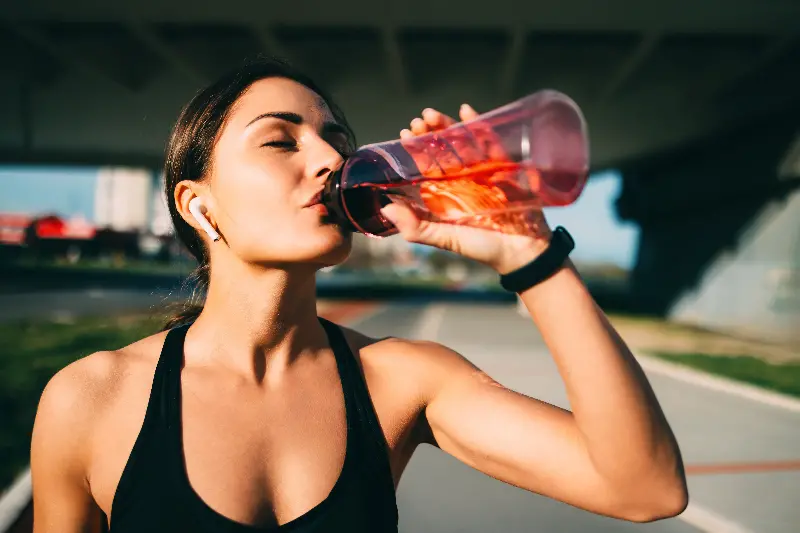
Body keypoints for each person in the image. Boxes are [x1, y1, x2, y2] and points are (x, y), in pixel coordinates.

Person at [30, 56, 688, 533]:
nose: (327, 159)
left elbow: (644, 485)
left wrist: (527, 250)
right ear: (199, 207)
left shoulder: (401, 381)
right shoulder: (94, 399)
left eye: (335, 141)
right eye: (281, 140)